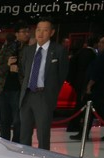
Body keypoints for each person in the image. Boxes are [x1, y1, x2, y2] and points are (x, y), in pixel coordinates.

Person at [18, 18, 69, 150]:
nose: (40, 33)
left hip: (44, 96)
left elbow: (62, 74)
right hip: (27, 95)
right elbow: (23, 71)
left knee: (43, 134)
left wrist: (51, 93)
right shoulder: (28, 50)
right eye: (38, 30)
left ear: (51, 32)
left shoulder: (59, 50)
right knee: (24, 134)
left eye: (45, 30)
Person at [0, 23, 30, 142]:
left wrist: (18, 70)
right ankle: (4, 145)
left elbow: (31, 72)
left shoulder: (29, 50)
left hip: (19, 90)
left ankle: (16, 145)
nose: (26, 34)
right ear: (17, 34)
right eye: (23, 31)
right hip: (3, 89)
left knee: (18, 122)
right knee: (4, 121)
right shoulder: (7, 48)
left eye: (28, 31)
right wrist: (7, 65)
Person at [80, 36, 104, 140]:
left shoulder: (103, 56)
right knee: (103, 111)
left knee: (99, 111)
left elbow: (97, 72)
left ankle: (85, 133)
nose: (99, 44)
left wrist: (89, 85)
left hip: (100, 89)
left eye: (102, 43)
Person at [66, 37, 98, 132]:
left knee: (79, 104)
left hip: (77, 82)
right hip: (84, 83)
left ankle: (74, 125)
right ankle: (75, 125)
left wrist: (72, 79)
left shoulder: (80, 52)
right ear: (95, 44)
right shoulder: (91, 54)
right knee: (81, 104)